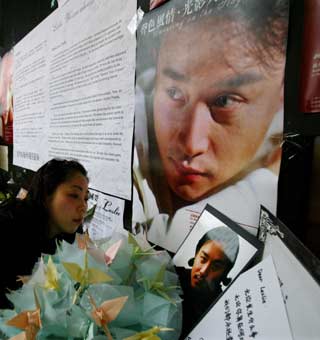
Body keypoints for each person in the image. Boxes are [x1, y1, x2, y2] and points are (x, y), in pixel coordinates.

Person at [133, 0, 289, 252]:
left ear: (282, 93)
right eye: (174, 92)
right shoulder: (132, 130)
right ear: (156, 64)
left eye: (225, 101)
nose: (191, 144)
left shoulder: (300, 160)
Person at [0, 158, 89, 308]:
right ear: (46, 195)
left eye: (86, 198)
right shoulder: (7, 229)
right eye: (74, 195)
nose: (83, 207)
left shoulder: (71, 236)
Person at [176, 226, 239, 337]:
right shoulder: (172, 274)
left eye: (216, 266)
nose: (203, 271)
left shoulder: (220, 311)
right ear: (196, 255)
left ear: (225, 272)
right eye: (203, 259)